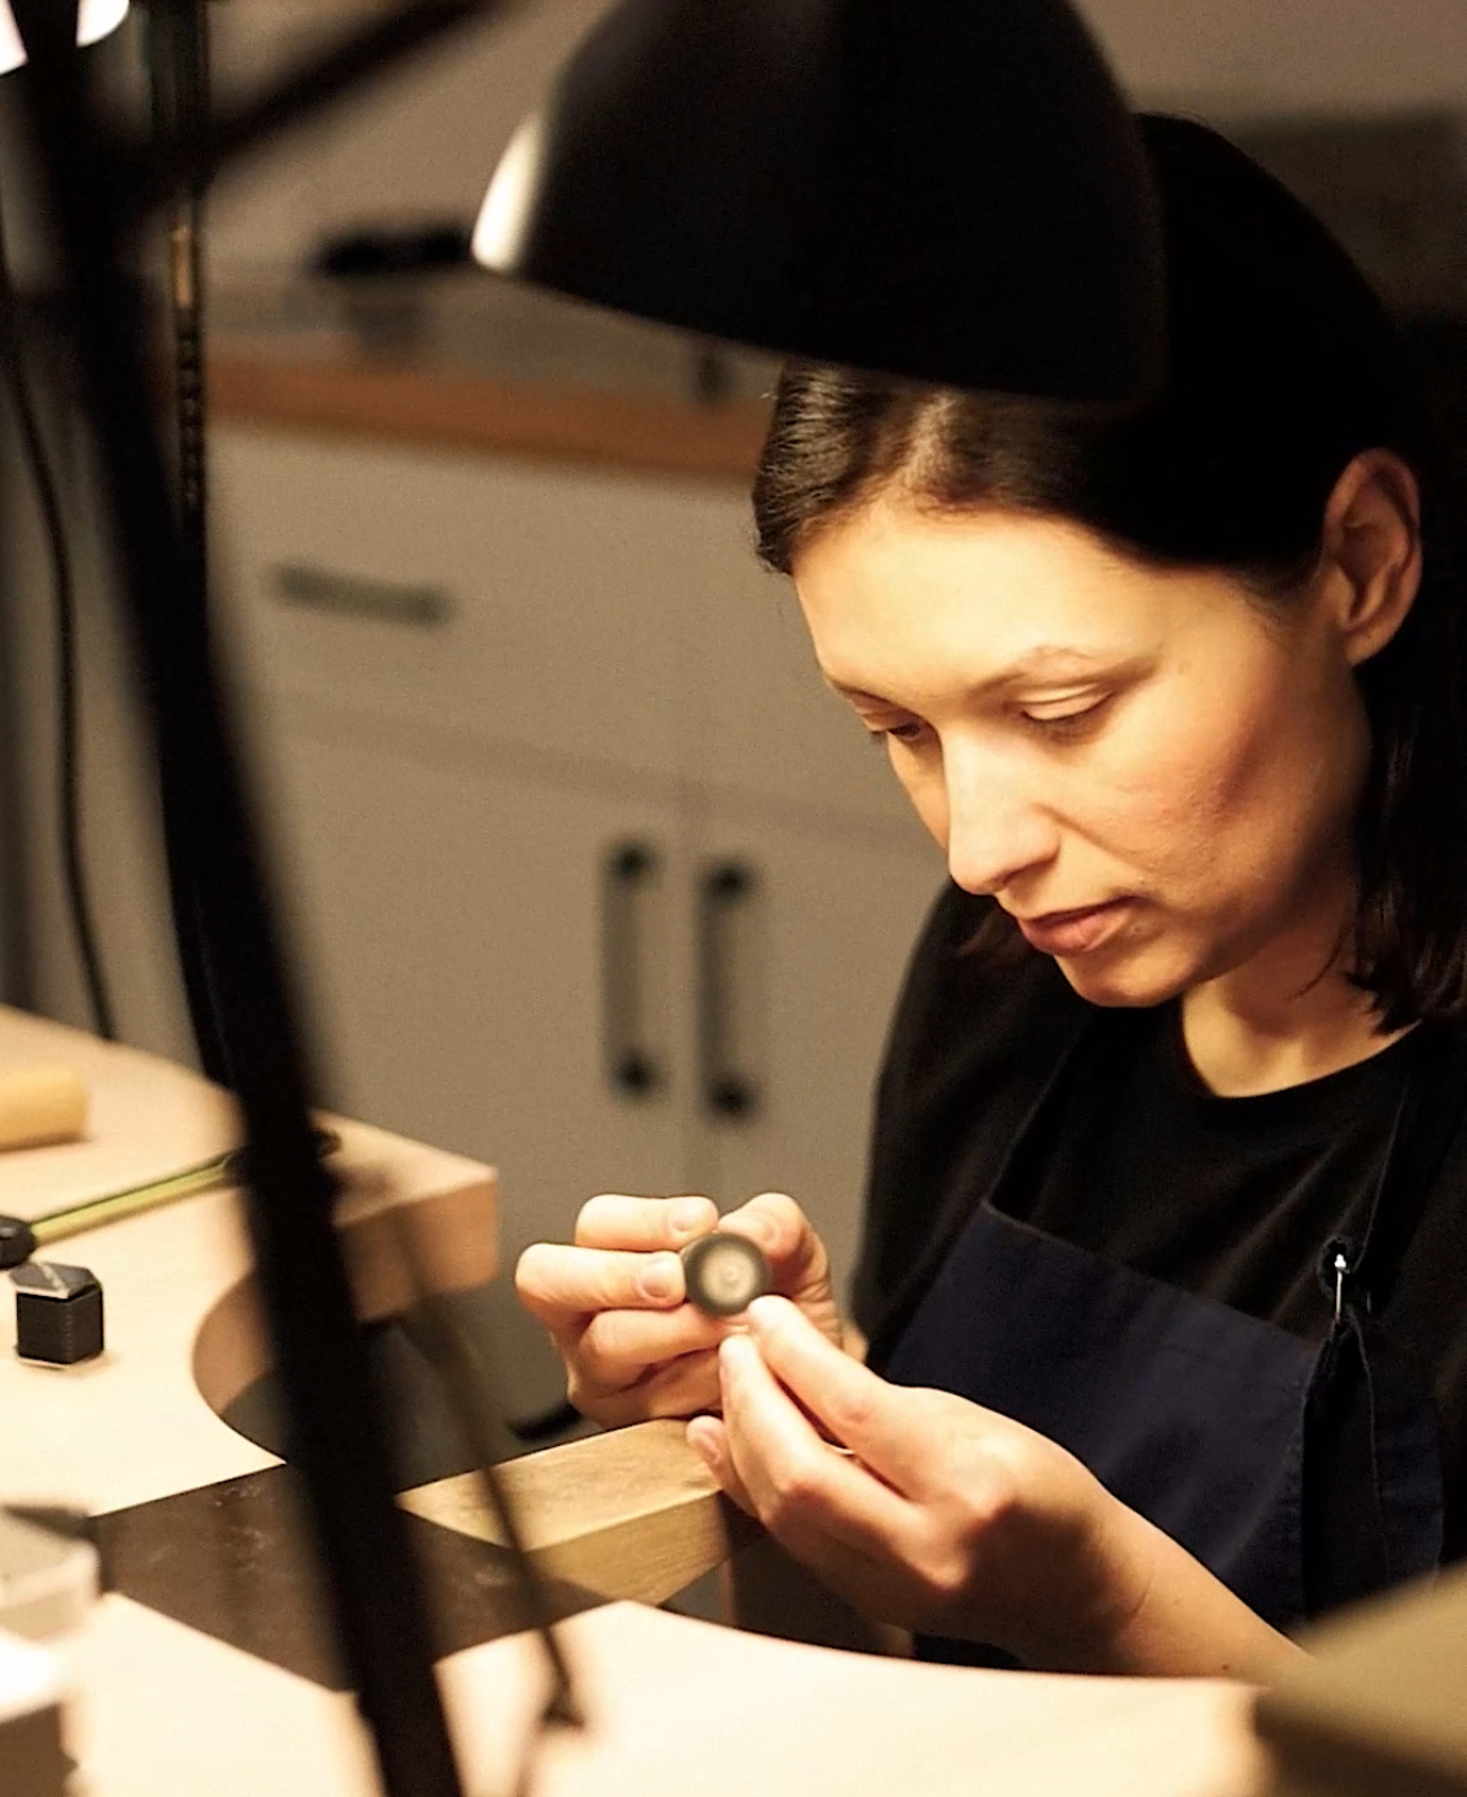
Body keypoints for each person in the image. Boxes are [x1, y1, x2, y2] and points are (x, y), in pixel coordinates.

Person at [515, 116, 1467, 1682]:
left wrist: (1106, 1604)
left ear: (1359, 565)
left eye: (1063, 710)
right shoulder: (1011, 977)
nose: (980, 849)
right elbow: (901, 1687)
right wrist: (792, 1449)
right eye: (897, 730)